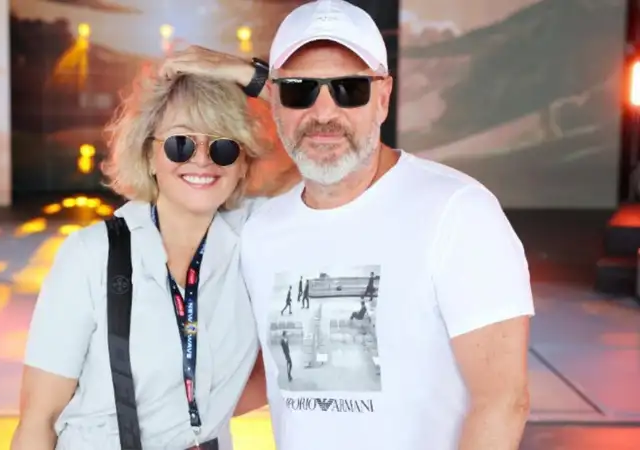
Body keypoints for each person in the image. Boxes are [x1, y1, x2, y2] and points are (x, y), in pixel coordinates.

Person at [160, 0, 535, 449]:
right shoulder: (263, 230)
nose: (324, 113)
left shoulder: (457, 213)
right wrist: (145, 411)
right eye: (300, 91)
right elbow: (275, 375)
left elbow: (502, 400)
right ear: (275, 101)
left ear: (383, 97)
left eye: (349, 89)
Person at [11, 69, 269, 450]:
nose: (202, 160)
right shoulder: (92, 254)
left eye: (224, 146)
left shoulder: (258, 240)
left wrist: (251, 76)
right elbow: (39, 420)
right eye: (180, 144)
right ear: (149, 155)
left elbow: (326, 144)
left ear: (243, 162)